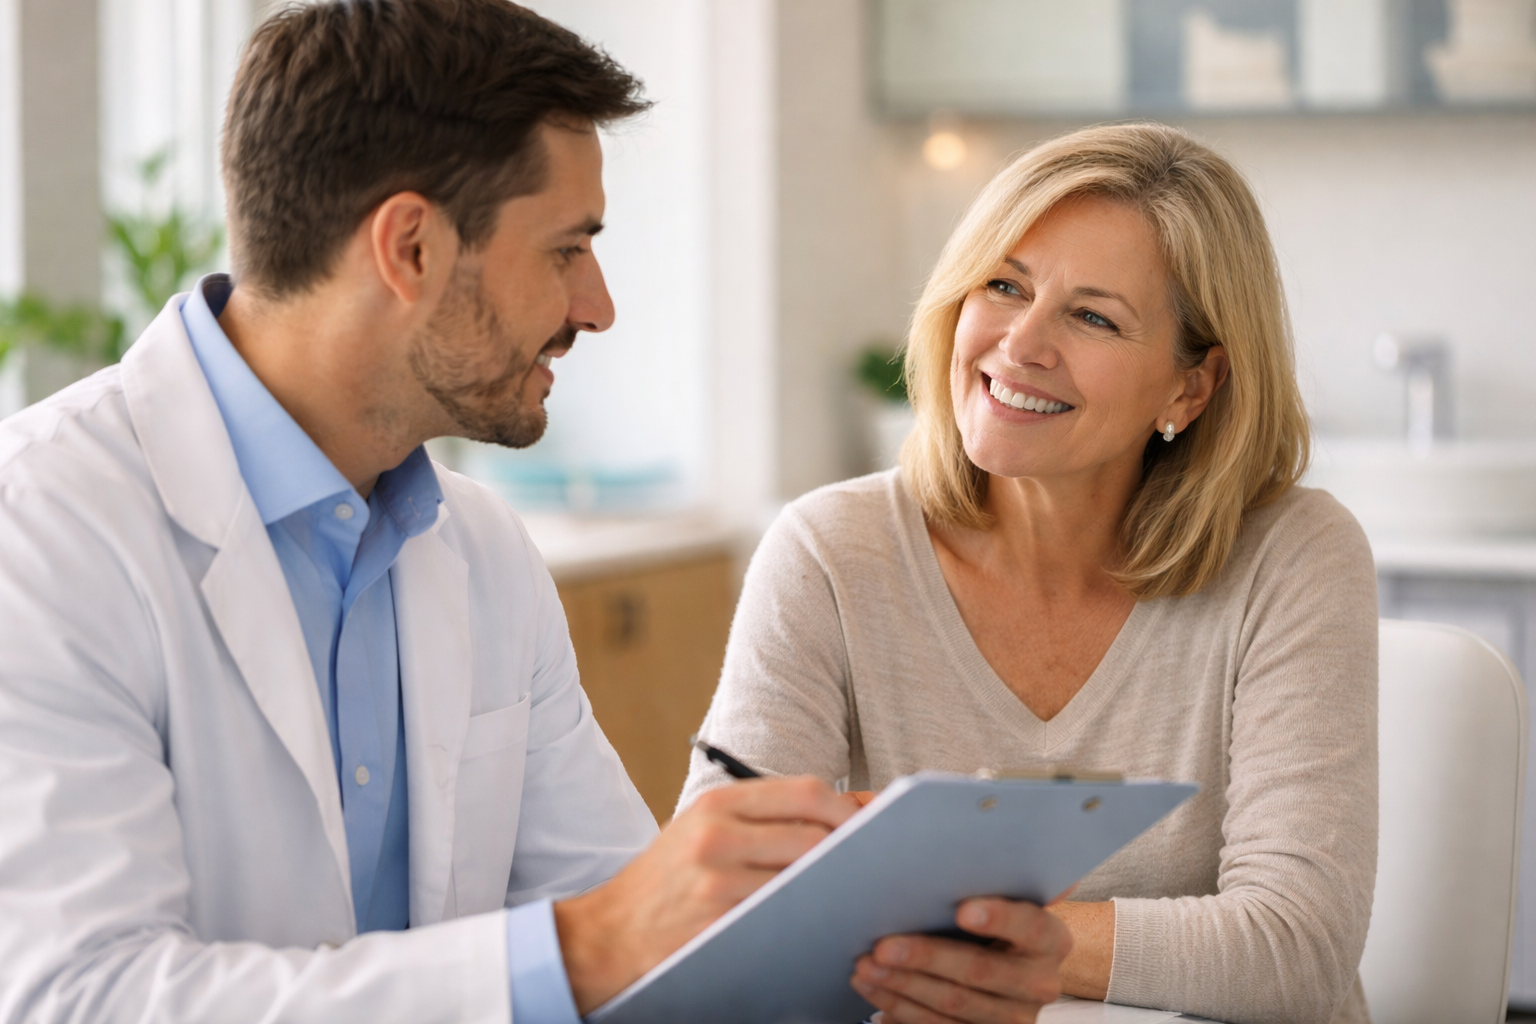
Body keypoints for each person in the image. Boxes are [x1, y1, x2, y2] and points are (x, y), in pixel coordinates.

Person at [0, 2, 1072, 1021]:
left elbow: (650, 959)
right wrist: (586, 945)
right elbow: (78, 996)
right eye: (568, 247)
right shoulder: (40, 531)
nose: (597, 305)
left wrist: (895, 967)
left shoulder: (479, 549)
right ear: (410, 247)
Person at [681, 123, 1378, 1024]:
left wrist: (969, 936)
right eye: (1003, 285)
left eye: (1093, 316)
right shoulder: (827, 552)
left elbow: (1294, 950)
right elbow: (723, 913)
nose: (1018, 344)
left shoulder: (1293, 555)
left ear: (1190, 389)